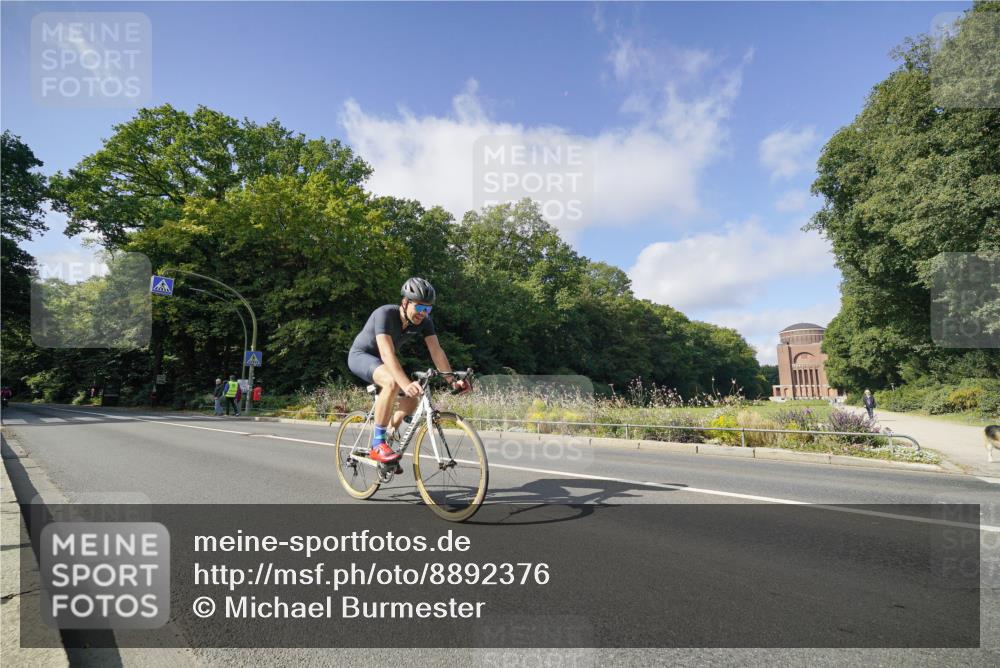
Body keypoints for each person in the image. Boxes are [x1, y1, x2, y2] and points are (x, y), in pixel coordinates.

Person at [347, 277, 469, 464]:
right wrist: (404, 383)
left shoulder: (424, 322)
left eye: (428, 309)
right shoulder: (385, 314)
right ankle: (377, 444)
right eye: (419, 307)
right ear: (405, 302)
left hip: (383, 362)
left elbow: (436, 351)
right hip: (361, 356)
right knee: (392, 382)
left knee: (413, 398)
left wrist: (452, 380)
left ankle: (388, 434)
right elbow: (386, 354)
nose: (423, 313)